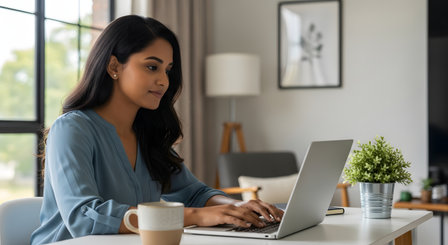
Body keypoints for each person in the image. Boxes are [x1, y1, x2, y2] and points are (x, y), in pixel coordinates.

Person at [30, 15, 283, 244]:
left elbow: (194, 193)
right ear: (114, 67)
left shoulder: (147, 133)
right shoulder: (72, 129)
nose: (164, 80)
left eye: (168, 70)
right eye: (152, 67)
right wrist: (197, 216)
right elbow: (83, 217)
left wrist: (236, 207)